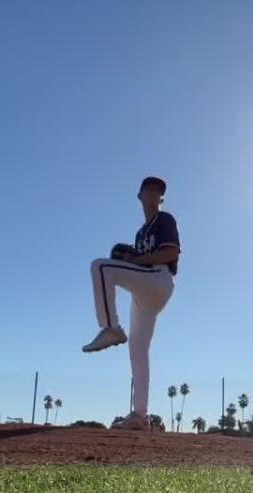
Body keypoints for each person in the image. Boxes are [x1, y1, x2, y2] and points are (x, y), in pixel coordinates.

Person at [83, 176, 181, 431]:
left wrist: (136, 261)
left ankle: (110, 327)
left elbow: (171, 253)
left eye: (158, 190)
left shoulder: (164, 219)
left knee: (101, 266)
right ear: (139, 195)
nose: (153, 192)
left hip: (159, 279)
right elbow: (140, 259)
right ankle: (140, 415)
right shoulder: (140, 233)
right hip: (145, 289)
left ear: (161, 198)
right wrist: (132, 257)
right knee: (138, 350)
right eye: (148, 188)